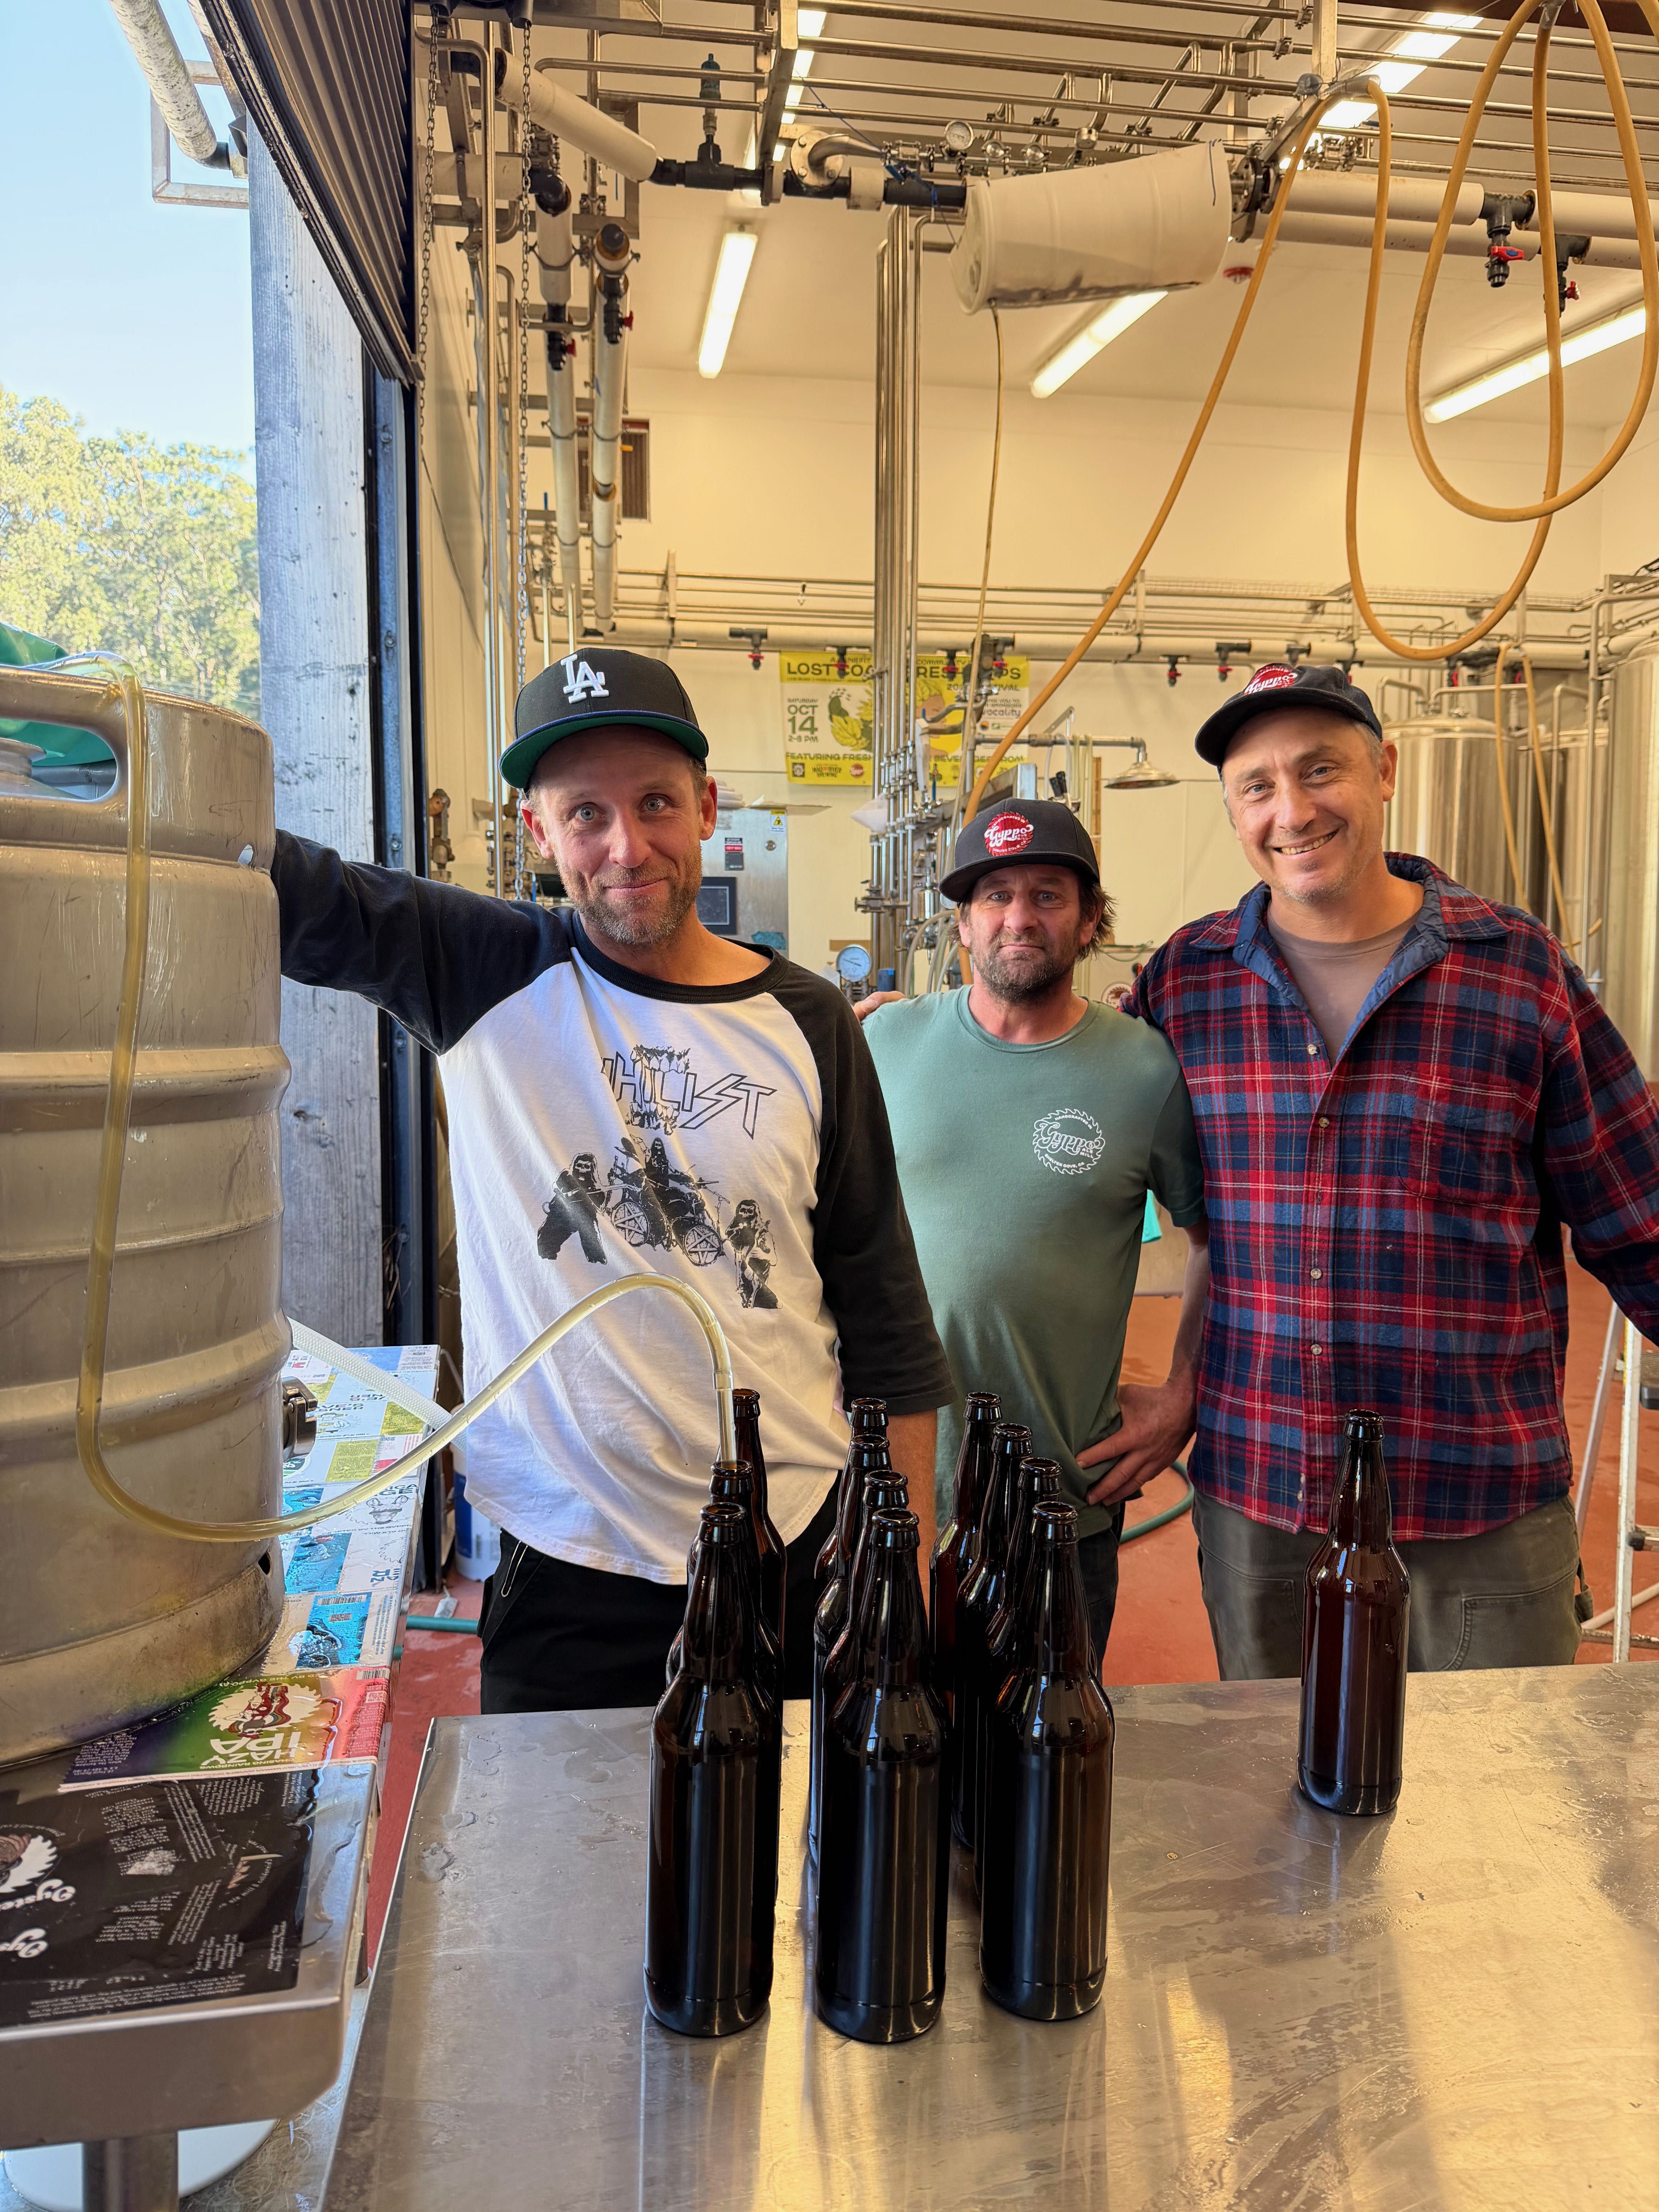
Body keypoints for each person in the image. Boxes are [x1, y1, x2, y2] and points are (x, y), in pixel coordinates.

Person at [275, 646, 952, 1711]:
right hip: (570, 1563)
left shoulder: (809, 1019)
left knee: (799, 1861)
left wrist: (897, 1560)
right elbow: (294, 894)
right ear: (538, 833)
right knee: (560, 1865)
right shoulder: (488, 972)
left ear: (706, 809)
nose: (624, 847)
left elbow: (882, 1308)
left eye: (653, 803)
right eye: (583, 815)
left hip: (795, 1540)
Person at [1127, 661, 1659, 1678]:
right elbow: (1068, 1123)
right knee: (1277, 1797)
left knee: (1496, 1807)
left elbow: (1636, 1216)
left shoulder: (1516, 970)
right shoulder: (1185, 983)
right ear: (1233, 809)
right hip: (1263, 1495)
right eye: (1257, 786)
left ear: (1385, 772)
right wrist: (926, 1054)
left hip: (1475, 1496)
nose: (1290, 811)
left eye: (1318, 771)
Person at [856, 799, 1209, 1666]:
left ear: (1091, 920)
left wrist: (1182, 1396)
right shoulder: (881, 1042)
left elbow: (1216, 1245)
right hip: (888, 1486)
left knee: (1046, 1767)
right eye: (996, 896)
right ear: (964, 923)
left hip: (1060, 1496)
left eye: (1048, 894)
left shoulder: (1144, 1069)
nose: (1020, 917)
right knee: (887, 1759)